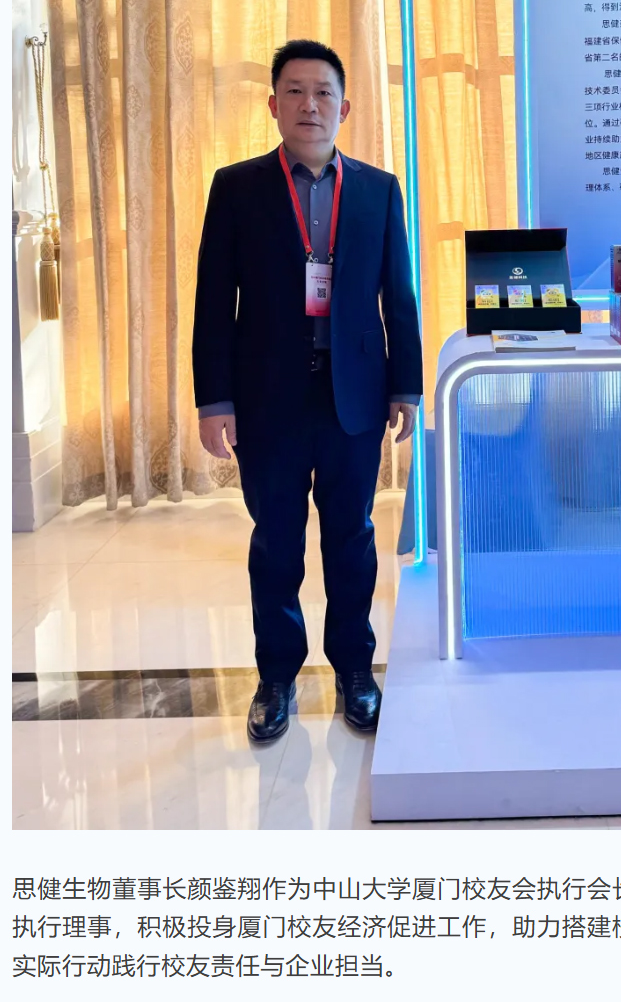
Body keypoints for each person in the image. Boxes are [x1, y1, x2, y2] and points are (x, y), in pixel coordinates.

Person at [192, 39, 423, 741]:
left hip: (354, 398)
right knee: (276, 542)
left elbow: (398, 296)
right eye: (294, 91)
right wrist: (214, 400)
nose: (309, 105)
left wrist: (407, 386)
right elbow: (213, 302)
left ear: (344, 107)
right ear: (273, 104)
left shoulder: (379, 190)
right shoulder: (236, 188)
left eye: (323, 92)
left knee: (352, 538)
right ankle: (276, 677)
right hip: (268, 401)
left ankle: (355, 669)